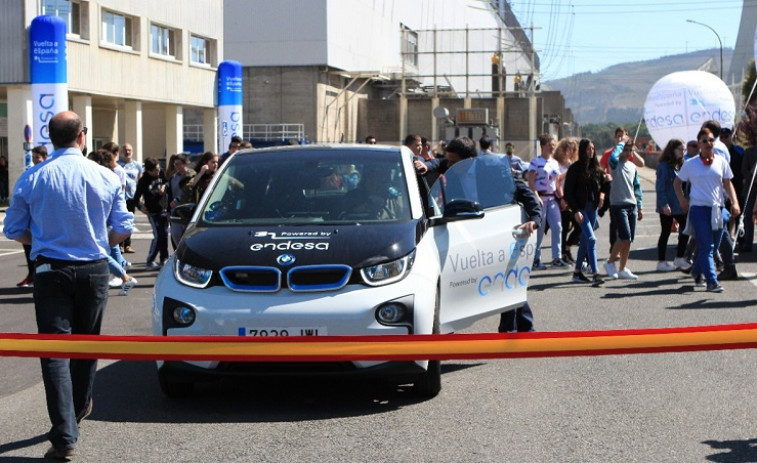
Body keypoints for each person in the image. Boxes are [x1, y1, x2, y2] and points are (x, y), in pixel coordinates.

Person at [3, 111, 133, 459]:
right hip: (93, 269)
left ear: (50, 138)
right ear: (83, 136)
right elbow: (123, 226)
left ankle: (65, 436)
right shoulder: (105, 176)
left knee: (54, 353)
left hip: (50, 270)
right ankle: (76, 411)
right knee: (86, 345)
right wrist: (102, 242)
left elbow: (14, 230)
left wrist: (42, 237)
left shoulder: (32, 177)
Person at [420, 136, 541, 333]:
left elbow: (526, 194)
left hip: (498, 229)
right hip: (467, 235)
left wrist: (534, 220)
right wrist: (425, 165)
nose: (447, 164)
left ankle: (520, 329)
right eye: (447, 160)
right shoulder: (451, 166)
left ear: (468, 160)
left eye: (453, 161)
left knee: (508, 278)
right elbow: (438, 162)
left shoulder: (493, 170)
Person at [674, 128, 740, 293]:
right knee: (707, 246)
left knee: (712, 247)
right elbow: (677, 183)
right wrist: (682, 200)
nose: (708, 143)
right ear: (699, 144)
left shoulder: (721, 161)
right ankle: (712, 281)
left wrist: (735, 202)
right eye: (704, 141)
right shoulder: (691, 163)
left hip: (718, 209)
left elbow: (727, 183)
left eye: (711, 140)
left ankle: (696, 271)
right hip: (698, 209)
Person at [564, 138, 607, 287]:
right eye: (588, 149)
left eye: (593, 149)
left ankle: (577, 273)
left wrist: (602, 196)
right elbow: (568, 192)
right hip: (581, 209)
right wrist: (575, 210)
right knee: (591, 239)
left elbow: (604, 184)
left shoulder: (596, 168)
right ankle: (595, 274)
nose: (591, 151)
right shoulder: (575, 169)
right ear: (582, 150)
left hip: (592, 208)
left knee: (584, 241)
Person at [599, 127, 645, 253]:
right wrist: (604, 178)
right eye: (618, 136)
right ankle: (613, 249)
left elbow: (641, 164)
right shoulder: (611, 153)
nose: (620, 138)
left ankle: (620, 255)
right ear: (615, 138)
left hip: (628, 193)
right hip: (612, 189)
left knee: (628, 235)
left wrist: (631, 150)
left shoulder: (628, 155)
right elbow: (602, 168)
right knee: (614, 222)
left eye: (623, 136)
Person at [604, 137, 643, 280]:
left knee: (629, 239)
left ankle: (622, 268)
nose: (627, 153)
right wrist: (621, 144)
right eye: (625, 150)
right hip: (618, 205)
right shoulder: (615, 164)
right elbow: (614, 156)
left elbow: (637, 187)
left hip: (631, 205)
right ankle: (609, 262)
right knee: (624, 235)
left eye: (629, 150)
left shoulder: (632, 167)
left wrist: (639, 206)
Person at [528, 133, 566, 269]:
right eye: (550, 145)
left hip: (552, 198)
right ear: (542, 145)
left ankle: (557, 257)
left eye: (554, 145)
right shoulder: (535, 162)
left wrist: (561, 198)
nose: (552, 147)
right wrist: (536, 196)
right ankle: (535, 259)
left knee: (557, 227)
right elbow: (530, 180)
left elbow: (557, 181)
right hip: (541, 198)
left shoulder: (555, 163)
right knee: (540, 229)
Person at [655, 139, 690, 272]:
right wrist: (664, 204)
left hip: (678, 204)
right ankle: (662, 261)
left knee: (686, 228)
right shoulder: (664, 166)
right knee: (665, 232)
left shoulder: (681, 164)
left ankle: (679, 257)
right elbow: (660, 187)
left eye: (684, 149)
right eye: (680, 149)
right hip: (668, 204)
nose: (683, 152)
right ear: (672, 150)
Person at [16, 145, 49, 287]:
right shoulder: (29, 174)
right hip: (30, 216)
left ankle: (42, 277)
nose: (35, 160)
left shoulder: (49, 172)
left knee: (44, 249)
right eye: (34, 157)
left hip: (43, 216)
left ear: (45, 158)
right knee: (29, 247)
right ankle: (32, 274)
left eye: (38, 158)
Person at [134, 157, 169, 269]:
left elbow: (167, 181)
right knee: (158, 235)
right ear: (148, 171)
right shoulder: (144, 180)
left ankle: (164, 258)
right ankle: (150, 259)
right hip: (153, 211)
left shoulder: (161, 173)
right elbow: (136, 198)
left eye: (158, 169)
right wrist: (141, 206)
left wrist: (164, 186)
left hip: (163, 209)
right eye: (155, 170)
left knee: (165, 235)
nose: (157, 172)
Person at [553, 137, 580, 264]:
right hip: (561, 197)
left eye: (573, 149)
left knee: (579, 225)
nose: (570, 151)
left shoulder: (573, 162)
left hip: (573, 198)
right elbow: (557, 180)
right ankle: (563, 253)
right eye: (568, 148)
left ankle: (568, 246)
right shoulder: (556, 163)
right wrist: (562, 198)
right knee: (563, 227)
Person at [166, 153, 195, 249]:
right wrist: (168, 212)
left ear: (185, 163)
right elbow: (170, 196)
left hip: (189, 213)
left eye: (178, 164)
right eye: (175, 164)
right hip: (176, 213)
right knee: (176, 239)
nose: (176, 166)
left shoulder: (193, 176)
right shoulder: (173, 178)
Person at [118, 142, 142, 254]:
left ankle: (128, 245)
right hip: (120, 197)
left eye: (129, 150)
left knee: (129, 221)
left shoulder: (137, 165)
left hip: (132, 197)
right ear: (121, 152)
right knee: (120, 220)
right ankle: (120, 245)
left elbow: (140, 181)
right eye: (125, 150)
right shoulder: (117, 165)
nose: (127, 152)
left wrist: (141, 198)